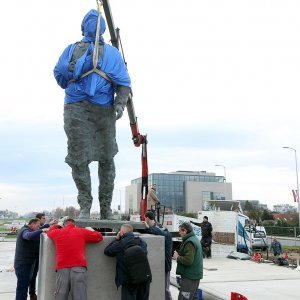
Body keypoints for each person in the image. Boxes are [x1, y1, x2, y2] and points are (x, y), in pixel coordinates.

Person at [53, 8, 131, 220]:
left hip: (103, 111)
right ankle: (85, 206)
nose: (94, 26)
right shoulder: (71, 49)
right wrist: (75, 67)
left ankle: (105, 208)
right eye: (91, 22)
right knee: (79, 159)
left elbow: (124, 84)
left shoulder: (112, 54)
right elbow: (59, 75)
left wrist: (120, 104)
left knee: (107, 158)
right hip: (76, 108)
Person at [47, 218, 103, 300]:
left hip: (62, 267)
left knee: (60, 295)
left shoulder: (57, 232)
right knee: (80, 296)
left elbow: (49, 232)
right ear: (75, 225)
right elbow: (99, 237)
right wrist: (89, 228)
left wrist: (57, 225)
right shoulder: (81, 231)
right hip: (79, 267)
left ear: (63, 225)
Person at [104, 223, 150, 300]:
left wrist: (116, 239)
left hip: (129, 281)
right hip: (144, 279)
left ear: (121, 232)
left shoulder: (120, 244)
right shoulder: (142, 242)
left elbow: (107, 251)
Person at [14, 218, 49, 300]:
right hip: (23, 265)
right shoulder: (25, 230)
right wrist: (42, 230)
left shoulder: (30, 229)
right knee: (22, 288)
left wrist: (47, 225)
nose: (38, 228)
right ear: (32, 224)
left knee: (24, 286)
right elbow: (28, 236)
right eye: (37, 226)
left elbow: (38, 229)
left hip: (28, 263)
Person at [144, 211, 173, 300]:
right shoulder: (158, 228)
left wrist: (146, 228)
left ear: (147, 218)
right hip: (163, 264)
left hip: (165, 264)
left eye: (145, 218)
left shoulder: (160, 230)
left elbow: (159, 233)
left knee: (165, 289)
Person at [29, 213, 57, 300]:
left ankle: (33, 294)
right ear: (38, 219)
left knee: (34, 275)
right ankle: (32, 294)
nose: (44, 219)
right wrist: (48, 226)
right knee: (32, 276)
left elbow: (42, 228)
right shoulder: (35, 229)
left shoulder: (39, 228)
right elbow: (40, 229)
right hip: (33, 256)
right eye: (43, 218)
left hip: (37, 256)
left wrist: (49, 225)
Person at [173, 222, 203, 300]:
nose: (179, 233)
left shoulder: (189, 242)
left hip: (189, 276)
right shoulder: (194, 239)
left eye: (180, 231)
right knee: (193, 297)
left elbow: (188, 260)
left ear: (185, 231)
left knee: (184, 298)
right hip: (194, 275)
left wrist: (177, 257)